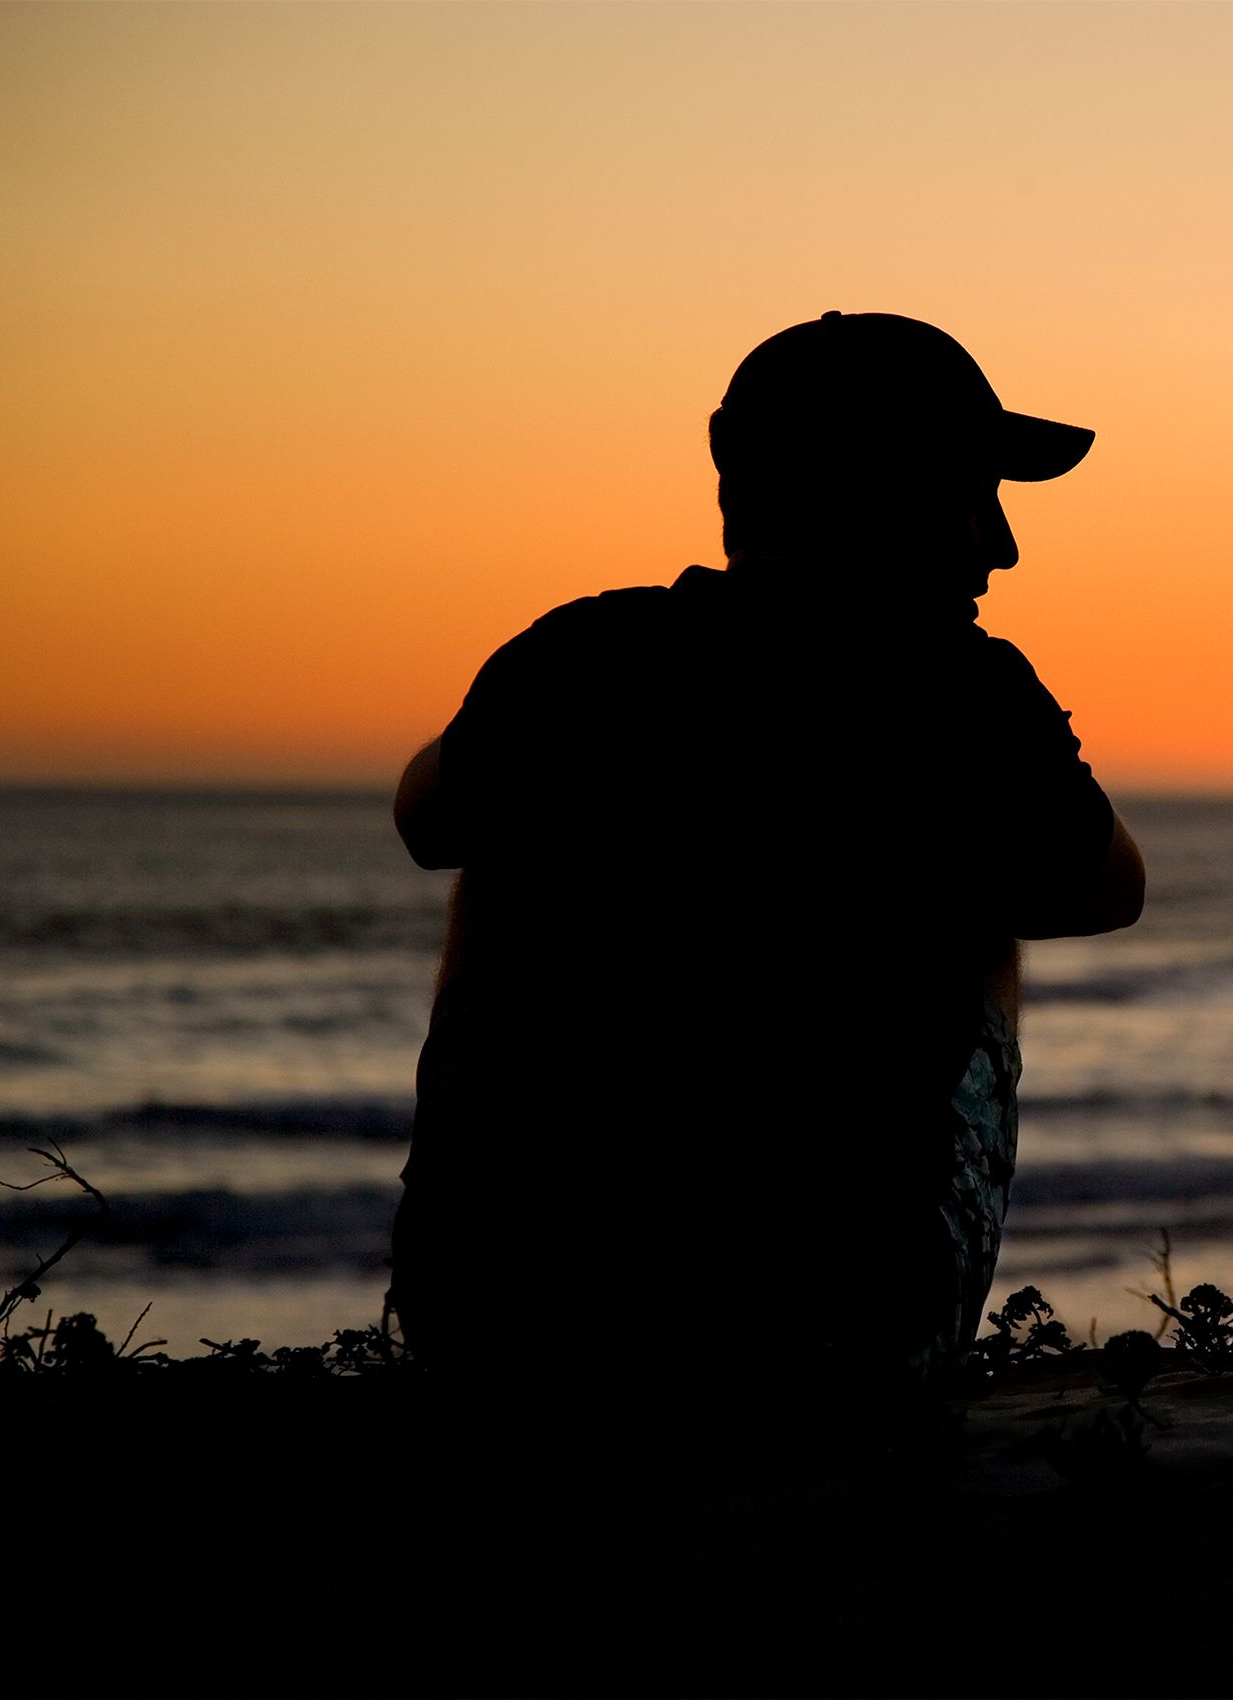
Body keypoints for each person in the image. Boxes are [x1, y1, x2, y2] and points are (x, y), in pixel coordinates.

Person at [389, 312, 1144, 1392]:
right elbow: (1104, 886)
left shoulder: (581, 653)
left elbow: (426, 815)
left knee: (505, 842)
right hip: (819, 1341)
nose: (1000, 543)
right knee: (990, 903)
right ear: (879, 491)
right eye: (972, 495)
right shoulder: (958, 689)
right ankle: (879, 1334)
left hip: (495, 1324)